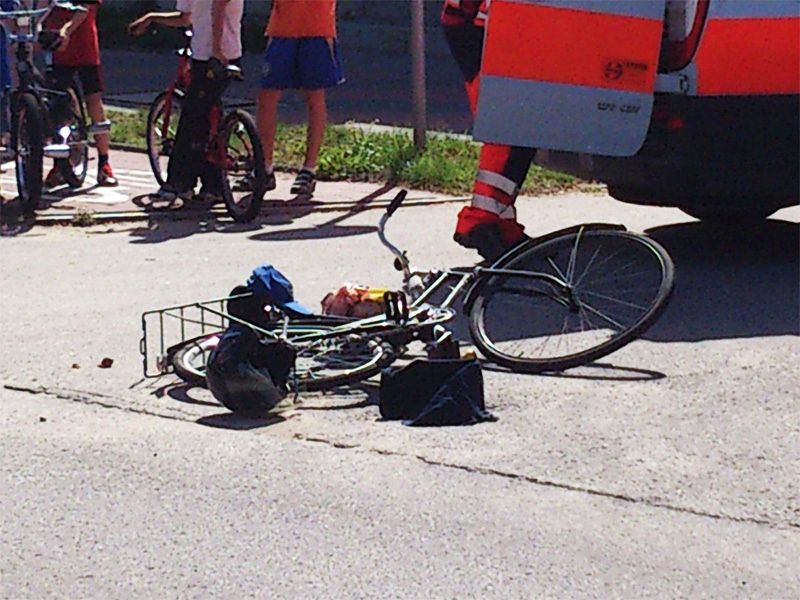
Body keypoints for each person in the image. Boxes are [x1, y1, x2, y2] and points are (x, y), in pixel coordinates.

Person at [441, 0, 536, 261]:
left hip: (481, 23)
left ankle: (502, 225)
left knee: (521, 130)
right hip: (485, 26)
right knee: (507, 131)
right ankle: (479, 222)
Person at [138, 0, 244, 205]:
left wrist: (215, 49)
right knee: (207, 115)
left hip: (217, 55)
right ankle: (212, 183)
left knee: (192, 119)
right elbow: (184, 18)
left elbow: (219, 8)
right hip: (205, 55)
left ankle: (179, 183)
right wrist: (152, 17)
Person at [257, 0, 344, 197]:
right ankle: (264, 167)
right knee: (267, 97)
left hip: (317, 27)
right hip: (282, 27)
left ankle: (309, 170)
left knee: (314, 97)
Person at [44, 0, 118, 187]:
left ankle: (104, 163)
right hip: (58, 49)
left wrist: (66, 30)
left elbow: (85, 9)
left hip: (85, 49)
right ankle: (60, 164)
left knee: (93, 102)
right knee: (59, 108)